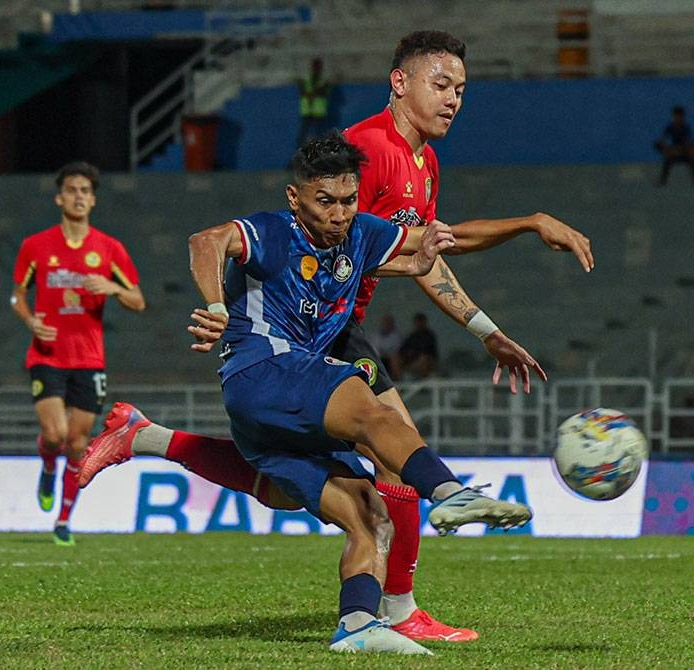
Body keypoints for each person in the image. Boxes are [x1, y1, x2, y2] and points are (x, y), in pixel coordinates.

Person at [82, 30, 593, 644]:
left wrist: (488, 322)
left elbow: (425, 250)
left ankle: (152, 439)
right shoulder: (368, 150)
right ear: (399, 83)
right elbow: (269, 231)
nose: (453, 98)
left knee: (292, 490)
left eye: (461, 88)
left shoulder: (424, 163)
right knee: (386, 435)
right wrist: (218, 301)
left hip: (328, 326)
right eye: (441, 83)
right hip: (309, 333)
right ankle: (411, 580)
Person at [130, 133, 534, 655]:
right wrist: (216, 305)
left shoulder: (360, 234)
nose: (339, 213)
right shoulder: (273, 231)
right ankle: (450, 492)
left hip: (267, 417)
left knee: (368, 513)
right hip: (265, 369)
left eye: (348, 200)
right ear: (296, 199)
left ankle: (358, 625)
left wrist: (525, 226)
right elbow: (205, 241)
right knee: (371, 410)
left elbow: (438, 243)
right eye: (326, 201)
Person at [10, 161, 146, 546]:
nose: (79, 196)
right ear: (59, 197)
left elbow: (138, 300)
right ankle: (47, 466)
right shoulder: (36, 246)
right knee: (54, 435)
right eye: (72, 190)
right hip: (47, 353)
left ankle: (63, 520)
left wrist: (111, 287)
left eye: (86, 191)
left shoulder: (109, 249)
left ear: (94, 200)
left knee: (77, 441)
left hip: (89, 359)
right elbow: (17, 295)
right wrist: (30, 320)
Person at [653, 105, 694, 185]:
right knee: (667, 158)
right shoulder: (670, 127)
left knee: (692, 155)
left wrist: (681, 149)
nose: (678, 118)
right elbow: (663, 139)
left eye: (680, 116)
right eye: (676, 116)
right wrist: (665, 148)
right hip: (673, 152)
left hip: (684, 152)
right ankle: (663, 180)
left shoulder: (685, 127)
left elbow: (687, 141)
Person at [297, 57, 332, 147]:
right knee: (303, 136)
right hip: (307, 111)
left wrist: (312, 93)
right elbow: (302, 91)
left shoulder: (323, 80)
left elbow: (324, 91)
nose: (316, 69)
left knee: (320, 136)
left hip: (319, 111)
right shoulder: (307, 80)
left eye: (318, 66)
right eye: (315, 66)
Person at [399, 312, 439, 379]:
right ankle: (397, 382)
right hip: (412, 361)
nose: (419, 324)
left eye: (420, 321)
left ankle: (424, 379)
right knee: (396, 358)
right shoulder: (412, 336)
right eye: (417, 322)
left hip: (427, 362)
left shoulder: (429, 335)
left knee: (424, 359)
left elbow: (429, 352)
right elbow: (403, 349)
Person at [369, 313, 404, 380]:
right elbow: (374, 348)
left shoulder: (397, 336)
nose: (386, 324)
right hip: (380, 358)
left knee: (394, 358)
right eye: (385, 322)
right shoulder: (376, 336)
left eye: (388, 322)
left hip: (391, 358)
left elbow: (395, 349)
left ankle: (397, 380)